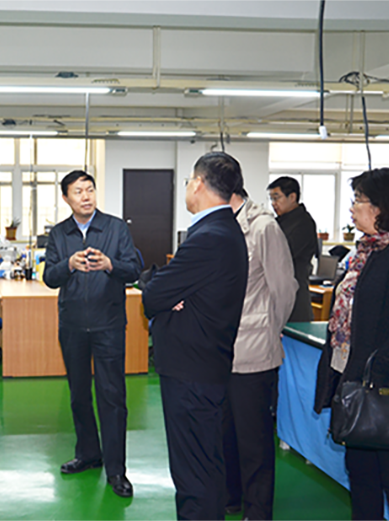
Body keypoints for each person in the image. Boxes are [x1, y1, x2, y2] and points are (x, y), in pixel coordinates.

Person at [314, 168, 389, 521]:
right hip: (358, 385)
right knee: (362, 479)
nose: (352, 208)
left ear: (383, 206)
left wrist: (377, 365)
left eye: (359, 200)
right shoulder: (365, 251)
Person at [142, 152, 248, 521]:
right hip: (204, 366)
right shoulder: (221, 230)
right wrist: (170, 291)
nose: (188, 186)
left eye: (189, 179)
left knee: (194, 473)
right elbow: (164, 292)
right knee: (206, 464)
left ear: (199, 184)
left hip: (192, 372)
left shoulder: (210, 237)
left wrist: (164, 290)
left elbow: (153, 296)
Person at [43, 170, 141, 498]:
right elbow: (49, 277)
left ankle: (117, 470)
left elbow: (134, 269)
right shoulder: (59, 234)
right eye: (78, 191)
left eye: (90, 190)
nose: (85, 196)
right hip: (72, 325)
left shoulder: (115, 228)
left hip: (108, 324)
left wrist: (110, 264)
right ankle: (88, 454)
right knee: (79, 395)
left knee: (112, 397)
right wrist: (68, 264)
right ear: (66, 198)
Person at [222, 188, 297, 520]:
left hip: (254, 350)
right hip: (223, 351)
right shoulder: (222, 224)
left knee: (253, 438)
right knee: (226, 432)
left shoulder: (264, 227)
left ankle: (258, 509)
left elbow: (284, 288)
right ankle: (231, 496)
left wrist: (270, 328)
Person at [267, 176, 318, 322]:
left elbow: (282, 255)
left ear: (292, 197)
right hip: (277, 291)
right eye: (271, 199)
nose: (273, 203)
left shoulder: (304, 223)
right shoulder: (278, 221)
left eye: (277, 198)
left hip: (295, 293)